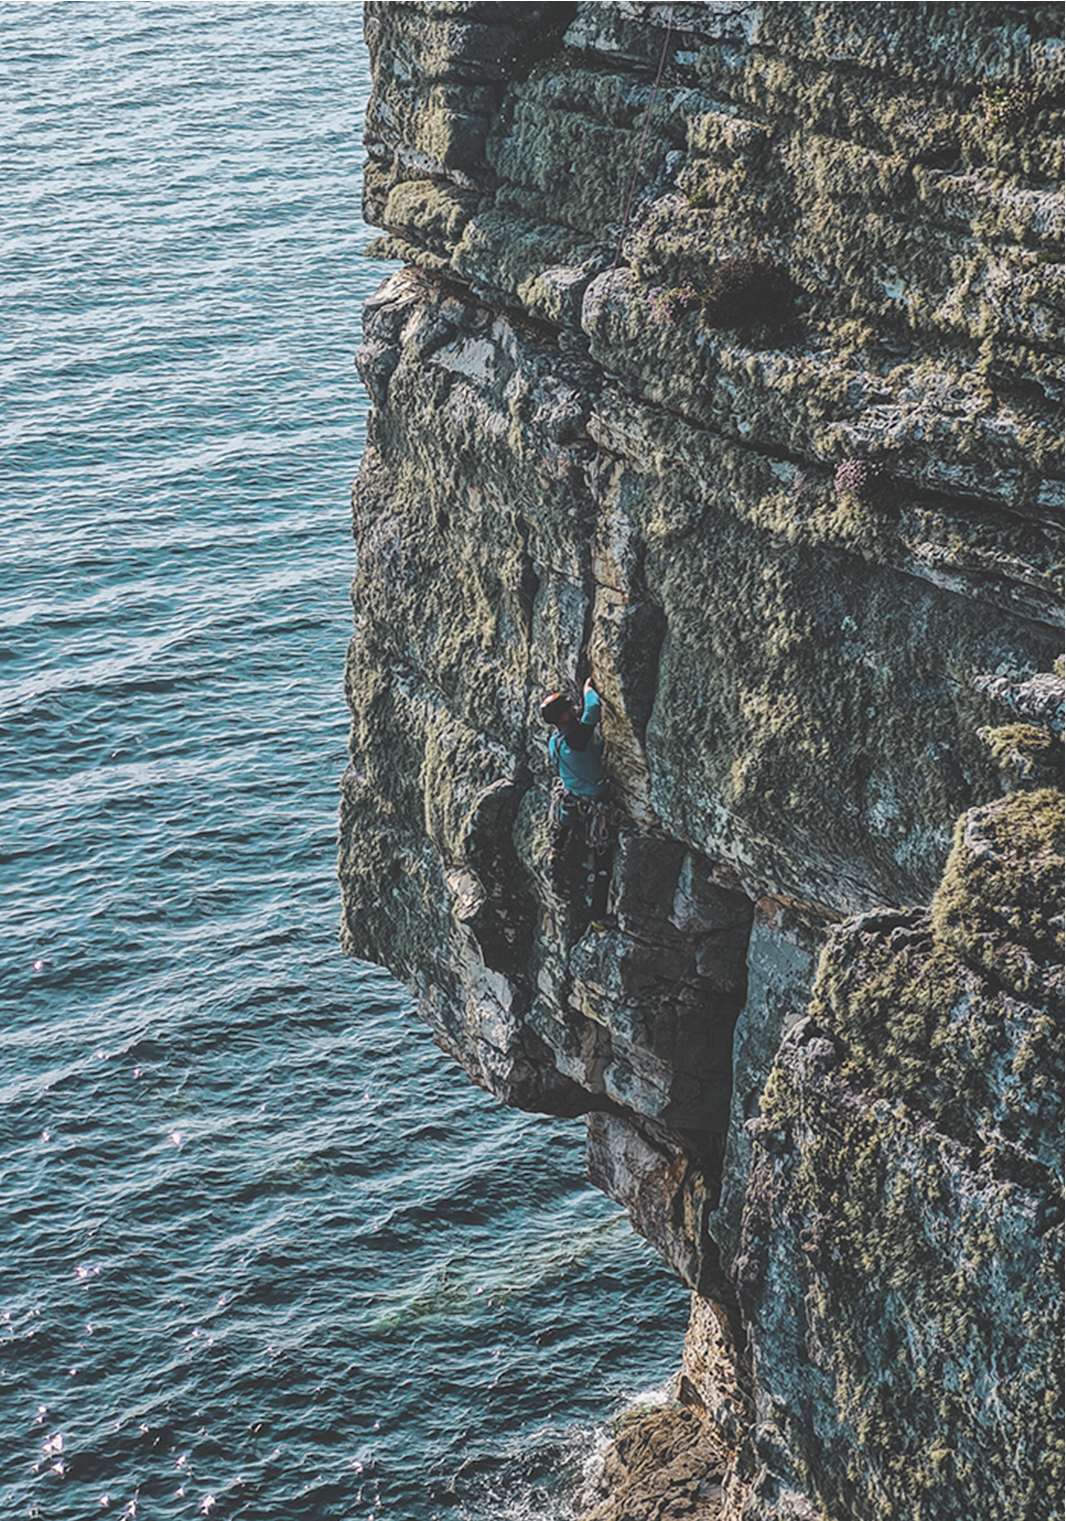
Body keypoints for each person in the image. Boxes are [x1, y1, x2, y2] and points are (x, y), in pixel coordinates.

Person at [539, 678, 613, 926]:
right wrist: (588, 688)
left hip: (572, 800)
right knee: (602, 859)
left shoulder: (556, 741)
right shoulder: (575, 740)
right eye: (568, 709)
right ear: (561, 717)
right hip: (593, 804)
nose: (574, 709)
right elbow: (593, 709)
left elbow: (583, 757)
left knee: (585, 849)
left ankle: (557, 849)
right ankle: (598, 917)